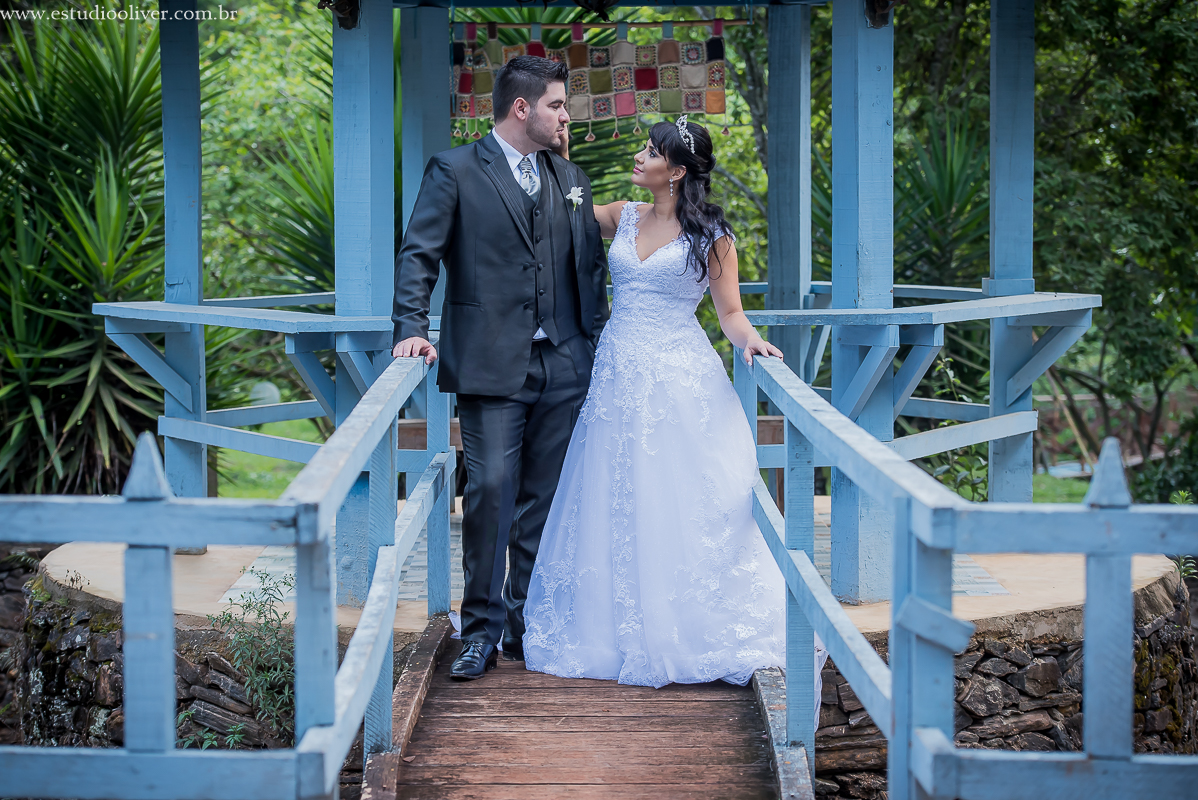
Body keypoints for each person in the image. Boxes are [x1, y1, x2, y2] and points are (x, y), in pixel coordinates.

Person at [521, 117, 792, 687]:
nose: (639, 157)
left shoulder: (713, 236)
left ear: (678, 171)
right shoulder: (623, 215)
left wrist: (751, 341)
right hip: (617, 373)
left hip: (678, 375)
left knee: (680, 494)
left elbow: (730, 313)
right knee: (613, 490)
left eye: (651, 152)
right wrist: (558, 158)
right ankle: (612, 624)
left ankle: (684, 622)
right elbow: (562, 206)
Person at [391, 56, 609, 681]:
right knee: (490, 491)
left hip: (564, 361)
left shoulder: (570, 177)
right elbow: (419, 254)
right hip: (489, 361)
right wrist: (410, 328)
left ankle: (525, 625)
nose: (566, 116)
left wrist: (591, 345)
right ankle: (480, 632)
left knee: (545, 498)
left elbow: (588, 267)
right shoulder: (456, 170)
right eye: (557, 105)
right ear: (522, 108)